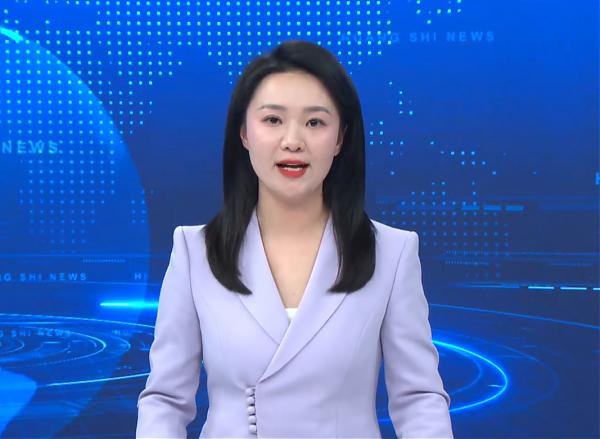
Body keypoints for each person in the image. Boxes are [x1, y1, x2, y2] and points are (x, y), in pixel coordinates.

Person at [136, 39, 453, 438]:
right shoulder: (195, 251)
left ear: (340, 138)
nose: (292, 140)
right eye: (272, 120)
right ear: (243, 132)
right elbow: (165, 401)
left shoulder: (391, 253)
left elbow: (419, 399)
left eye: (315, 123)